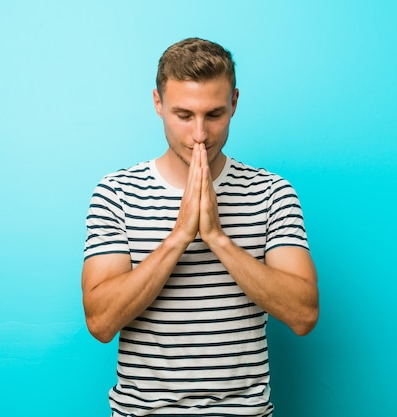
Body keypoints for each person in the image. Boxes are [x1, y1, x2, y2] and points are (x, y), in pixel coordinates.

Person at [82, 37, 319, 416]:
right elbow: (101, 322)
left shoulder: (272, 192)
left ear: (235, 104)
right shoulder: (116, 192)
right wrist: (178, 237)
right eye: (184, 115)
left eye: (214, 114)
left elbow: (304, 315)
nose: (199, 135)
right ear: (157, 104)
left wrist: (216, 237)